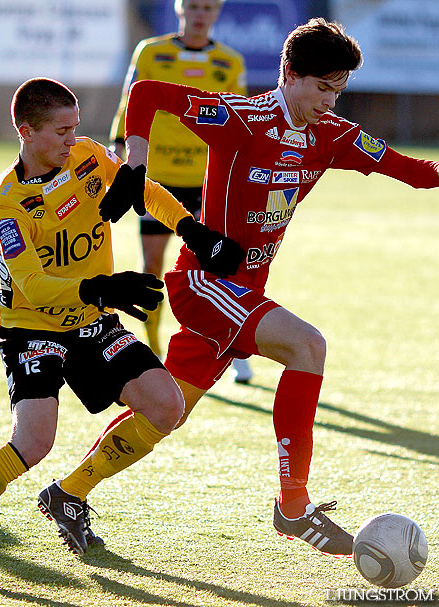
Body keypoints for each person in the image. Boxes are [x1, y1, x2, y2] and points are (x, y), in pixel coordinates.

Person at [102, 17, 439, 555]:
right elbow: (146, 94)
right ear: (288, 73)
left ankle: (68, 491)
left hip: (242, 294)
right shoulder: (240, 118)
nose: (331, 101)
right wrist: (134, 166)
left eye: (339, 89)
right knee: (308, 346)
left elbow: (406, 169)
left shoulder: (332, 137)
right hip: (204, 281)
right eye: (322, 86)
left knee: (166, 411)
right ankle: (293, 506)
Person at [0, 77, 244, 576]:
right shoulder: (8, 203)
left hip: (91, 320)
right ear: (27, 132)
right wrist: (103, 288)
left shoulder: (86, 156)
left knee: (167, 406)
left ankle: (68, 494)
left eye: (75, 128)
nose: (72, 139)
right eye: (61, 131)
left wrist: (196, 232)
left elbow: (144, 192)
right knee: (34, 441)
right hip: (31, 328)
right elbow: (35, 287)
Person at [109, 0, 254, 383]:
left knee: (220, 270)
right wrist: (120, 150)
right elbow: (129, 102)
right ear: (180, 9)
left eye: (208, 7)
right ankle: (154, 348)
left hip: (209, 181)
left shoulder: (230, 61)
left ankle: (234, 350)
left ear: (217, 12)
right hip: (159, 179)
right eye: (193, 5)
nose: (200, 13)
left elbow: (239, 118)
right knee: (153, 266)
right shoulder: (151, 51)